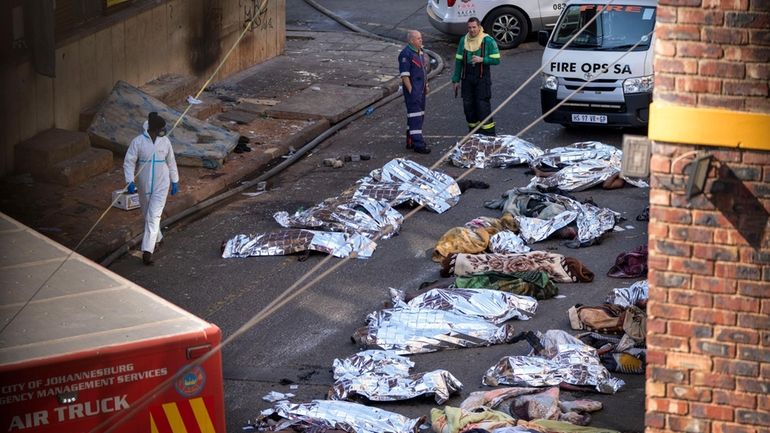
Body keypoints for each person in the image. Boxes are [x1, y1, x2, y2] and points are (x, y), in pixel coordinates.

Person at [123, 112, 179, 265]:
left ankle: (147, 251)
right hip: (143, 184)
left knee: (153, 216)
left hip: (162, 183)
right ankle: (158, 238)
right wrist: (130, 181)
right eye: (160, 129)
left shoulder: (165, 141)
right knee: (148, 214)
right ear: (152, 130)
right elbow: (129, 163)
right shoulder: (138, 142)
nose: (163, 132)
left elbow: (171, 162)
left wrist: (175, 180)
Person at [452, 17, 501, 136]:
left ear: (479, 27)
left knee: (482, 106)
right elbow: (458, 61)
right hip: (467, 77)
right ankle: (474, 134)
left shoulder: (488, 40)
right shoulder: (463, 40)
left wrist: (482, 59)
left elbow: (497, 60)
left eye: (474, 27)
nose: (472, 30)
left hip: (482, 78)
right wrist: (455, 80)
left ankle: (489, 135)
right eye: (469, 27)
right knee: (468, 106)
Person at [398, 30, 431, 154]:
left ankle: (410, 140)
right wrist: (411, 90)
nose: (421, 40)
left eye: (421, 38)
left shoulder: (420, 52)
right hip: (414, 91)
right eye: (418, 39)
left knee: (418, 115)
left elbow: (423, 72)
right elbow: (404, 76)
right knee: (415, 117)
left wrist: (426, 85)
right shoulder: (405, 55)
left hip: (421, 89)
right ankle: (418, 144)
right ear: (411, 40)